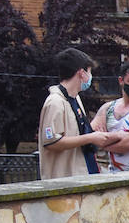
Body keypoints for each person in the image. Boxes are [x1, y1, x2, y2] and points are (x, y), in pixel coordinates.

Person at [37, 48, 117, 179]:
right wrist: (91, 138)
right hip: (65, 180)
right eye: (90, 72)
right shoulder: (55, 102)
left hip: (84, 172)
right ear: (81, 73)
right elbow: (51, 142)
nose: (91, 77)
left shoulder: (75, 98)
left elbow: (77, 133)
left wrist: (93, 132)